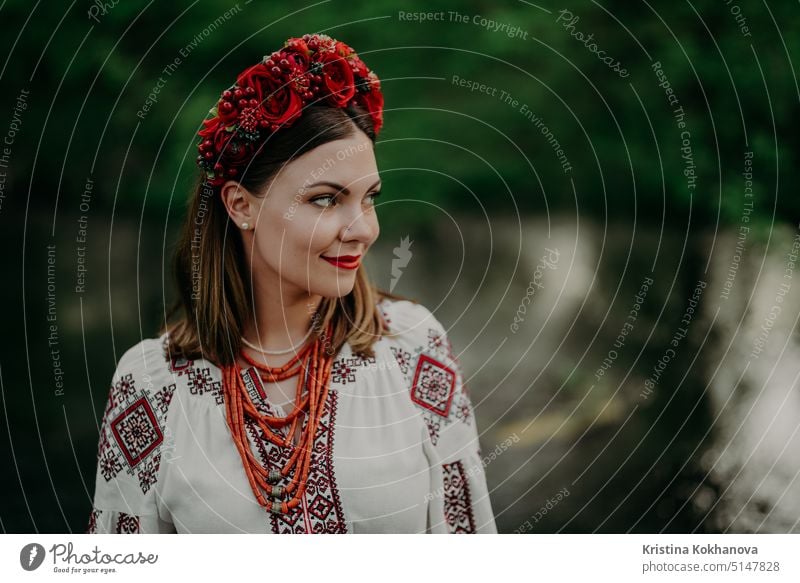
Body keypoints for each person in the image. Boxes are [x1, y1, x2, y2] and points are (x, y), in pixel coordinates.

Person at [87, 33, 496, 534]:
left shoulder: (413, 349)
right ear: (241, 205)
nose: (363, 228)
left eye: (370, 197)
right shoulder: (152, 384)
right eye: (326, 199)